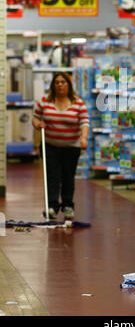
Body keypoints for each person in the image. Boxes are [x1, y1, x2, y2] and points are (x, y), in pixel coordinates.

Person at [32, 72, 89, 220]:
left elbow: (84, 122)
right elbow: (35, 118)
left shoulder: (78, 103)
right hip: (50, 145)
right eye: (57, 82)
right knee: (52, 176)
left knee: (68, 177)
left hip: (72, 146)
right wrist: (38, 124)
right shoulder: (44, 101)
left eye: (63, 82)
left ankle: (68, 205)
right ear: (53, 85)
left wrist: (83, 138)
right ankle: (51, 206)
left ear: (68, 85)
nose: (60, 85)